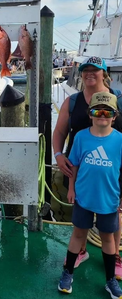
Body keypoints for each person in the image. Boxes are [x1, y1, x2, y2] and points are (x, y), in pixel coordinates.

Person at [53, 56, 122, 279]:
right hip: (78, 168)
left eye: (95, 70)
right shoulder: (72, 102)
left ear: (104, 73)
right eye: (85, 70)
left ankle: (115, 256)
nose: (90, 73)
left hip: (111, 171)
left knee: (115, 215)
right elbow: (59, 132)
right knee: (80, 213)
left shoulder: (118, 100)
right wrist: (58, 155)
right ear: (81, 74)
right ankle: (80, 251)